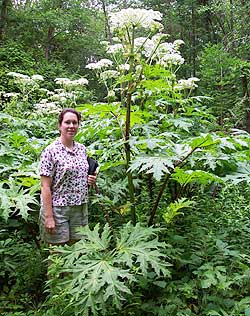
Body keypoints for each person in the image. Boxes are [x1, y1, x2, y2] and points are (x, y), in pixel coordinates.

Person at [39, 108, 97, 245]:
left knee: (77, 251)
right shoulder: (50, 151)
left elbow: (81, 176)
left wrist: (91, 180)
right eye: (67, 122)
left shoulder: (82, 149)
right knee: (57, 253)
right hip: (58, 209)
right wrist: (49, 217)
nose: (71, 126)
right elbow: (45, 187)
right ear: (60, 125)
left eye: (75, 123)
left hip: (80, 207)